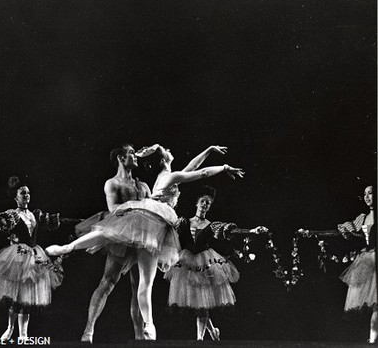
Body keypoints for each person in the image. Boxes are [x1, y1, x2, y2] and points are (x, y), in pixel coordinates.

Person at [46, 144, 244, 339]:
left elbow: (192, 168)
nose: (170, 150)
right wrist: (224, 168)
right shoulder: (158, 178)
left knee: (136, 280)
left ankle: (70, 247)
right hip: (144, 223)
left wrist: (208, 150)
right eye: (168, 151)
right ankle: (111, 327)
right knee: (125, 280)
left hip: (150, 225)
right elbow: (201, 174)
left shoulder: (158, 180)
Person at [165, 186, 267, 340]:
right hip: (186, 263)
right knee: (200, 304)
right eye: (203, 201)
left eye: (208, 203)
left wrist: (252, 231)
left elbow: (230, 231)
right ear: (197, 203)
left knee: (203, 305)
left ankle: (200, 339)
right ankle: (213, 332)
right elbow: (168, 230)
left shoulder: (211, 225)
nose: (205, 204)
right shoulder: (184, 222)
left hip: (206, 264)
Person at [73, 143, 151, 343]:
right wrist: (135, 208)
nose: (135, 156)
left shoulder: (142, 185)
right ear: (120, 158)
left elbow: (152, 208)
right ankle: (88, 331)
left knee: (140, 287)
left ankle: (140, 335)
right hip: (122, 236)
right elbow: (113, 207)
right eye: (131, 153)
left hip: (142, 238)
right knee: (108, 281)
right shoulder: (113, 184)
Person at [0, 176, 63, 341]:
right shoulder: (12, 214)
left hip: (35, 255)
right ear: (15, 196)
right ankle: (10, 328)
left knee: (27, 297)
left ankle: (24, 335)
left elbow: (52, 223)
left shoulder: (34, 214)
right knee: (16, 297)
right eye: (23, 193)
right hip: (18, 256)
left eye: (28, 193)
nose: (26, 196)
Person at [339, 184, 377, 343]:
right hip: (369, 258)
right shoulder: (364, 217)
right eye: (365, 194)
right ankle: (372, 338)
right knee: (374, 301)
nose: (367, 197)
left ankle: (373, 338)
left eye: (371, 193)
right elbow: (354, 234)